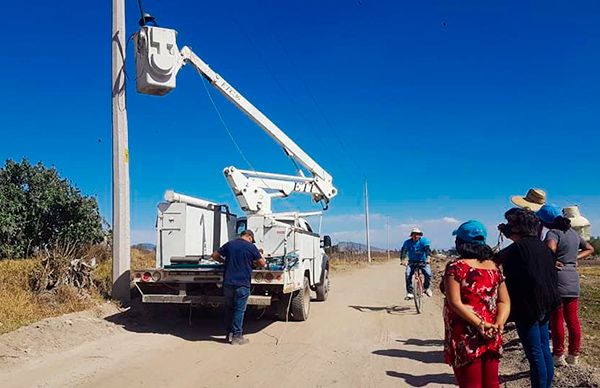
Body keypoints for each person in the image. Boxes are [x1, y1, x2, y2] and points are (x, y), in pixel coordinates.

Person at [496, 208, 561, 388]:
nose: (507, 228)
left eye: (510, 224)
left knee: (534, 354)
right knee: (543, 350)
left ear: (518, 227)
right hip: (545, 305)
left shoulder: (516, 249)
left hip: (527, 308)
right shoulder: (542, 246)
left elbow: (494, 260)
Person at [443, 220, 510, 388]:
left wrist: (480, 324)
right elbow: (504, 301)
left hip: (466, 334)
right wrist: (498, 324)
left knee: (469, 383)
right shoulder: (494, 267)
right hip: (491, 333)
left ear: (459, 242)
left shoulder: (456, 267)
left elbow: (455, 302)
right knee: (491, 383)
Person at [537, 205, 595, 366]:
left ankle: (558, 355)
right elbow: (590, 248)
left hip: (558, 280)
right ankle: (574, 354)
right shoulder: (574, 234)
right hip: (572, 279)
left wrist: (550, 260)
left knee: (557, 320)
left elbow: (550, 249)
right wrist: (574, 259)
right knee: (573, 319)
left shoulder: (553, 233)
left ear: (546, 222)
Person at [211, 229, 266, 345]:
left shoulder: (230, 244)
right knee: (239, 310)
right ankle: (237, 336)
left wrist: (223, 261)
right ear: (250, 237)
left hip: (228, 283)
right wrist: (256, 259)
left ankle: (228, 334)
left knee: (229, 309)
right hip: (242, 283)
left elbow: (214, 255)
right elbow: (262, 263)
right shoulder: (251, 247)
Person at [400, 228, 433, 299]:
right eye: (414, 234)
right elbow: (404, 251)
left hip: (423, 261)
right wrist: (403, 260)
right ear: (411, 235)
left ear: (420, 235)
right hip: (412, 262)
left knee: (428, 274)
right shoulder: (407, 242)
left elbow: (427, 250)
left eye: (417, 235)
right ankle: (410, 292)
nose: (416, 236)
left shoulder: (424, 241)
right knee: (408, 274)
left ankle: (426, 288)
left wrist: (428, 257)